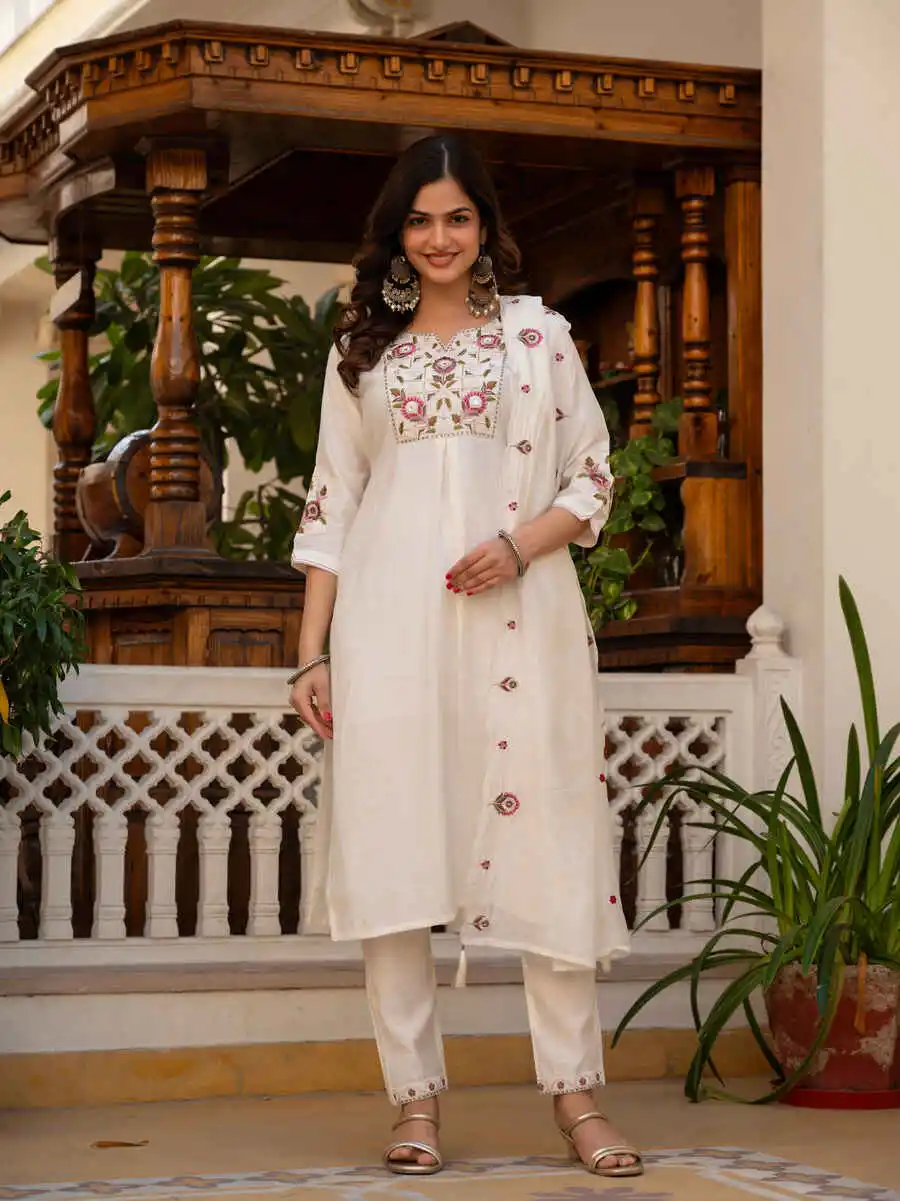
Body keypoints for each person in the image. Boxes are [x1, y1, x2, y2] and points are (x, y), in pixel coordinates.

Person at [289, 134, 641, 1179]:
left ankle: (577, 1096)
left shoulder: (539, 338)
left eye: (456, 217)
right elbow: (332, 501)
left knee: (551, 842)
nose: (438, 238)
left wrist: (519, 546)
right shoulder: (363, 353)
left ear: (485, 227)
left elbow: (593, 475)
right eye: (419, 220)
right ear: (395, 234)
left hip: (522, 620)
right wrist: (310, 654)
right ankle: (414, 1100)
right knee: (395, 851)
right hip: (388, 628)